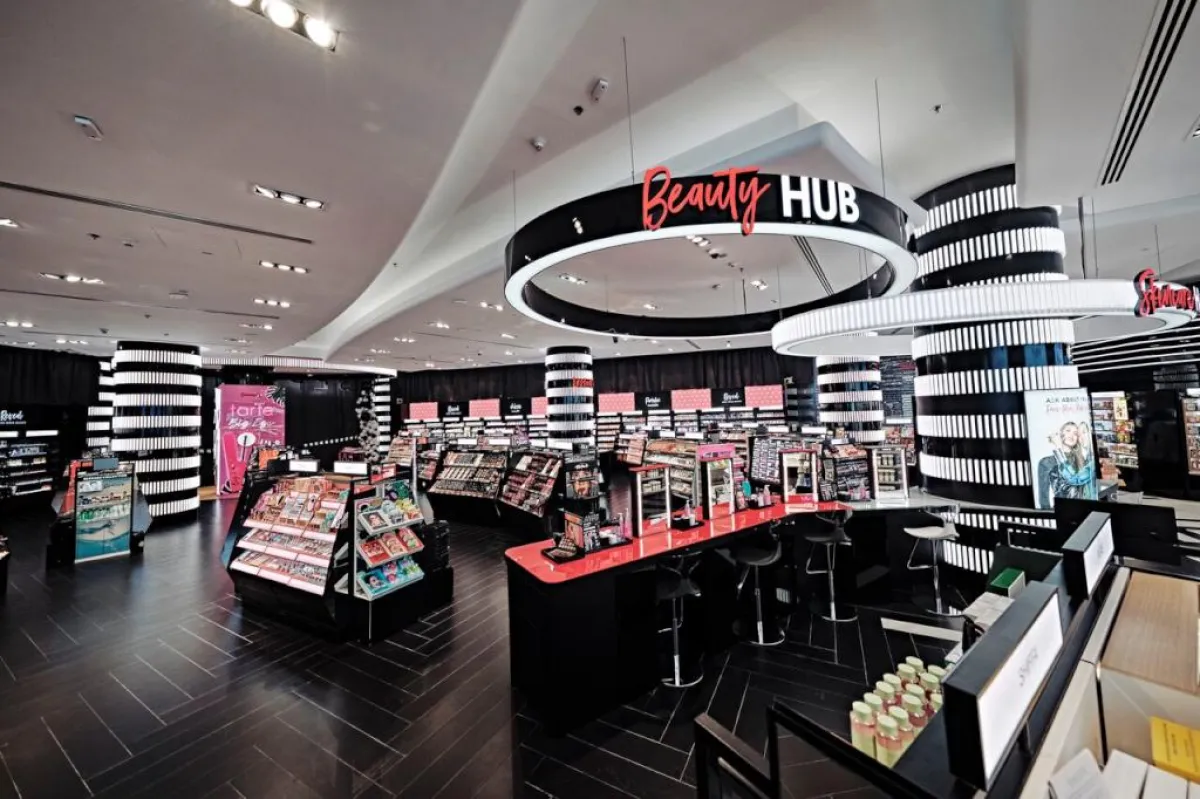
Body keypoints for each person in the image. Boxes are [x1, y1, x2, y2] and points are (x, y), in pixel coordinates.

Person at [1037, 421, 1097, 508]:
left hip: (1083, 509)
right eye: (1068, 430)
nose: (1071, 435)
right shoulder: (1046, 462)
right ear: (1060, 434)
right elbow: (1044, 499)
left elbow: (1075, 480)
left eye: (1075, 433)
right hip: (1063, 510)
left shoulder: (1083, 461)